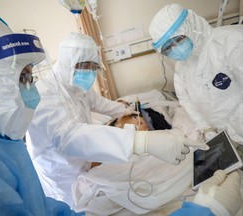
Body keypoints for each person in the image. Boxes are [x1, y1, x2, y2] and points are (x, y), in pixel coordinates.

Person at [26, 32, 209, 208]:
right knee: (76, 206)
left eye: (93, 66)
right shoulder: (46, 95)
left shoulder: (77, 86)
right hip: (61, 175)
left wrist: (126, 109)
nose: (90, 72)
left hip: (87, 165)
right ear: (68, 62)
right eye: (85, 65)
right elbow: (70, 138)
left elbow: (100, 104)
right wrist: (141, 141)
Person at [0, 3, 82, 216]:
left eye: (30, 76)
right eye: (21, 78)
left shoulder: (1, 140)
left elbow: (39, 207)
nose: (31, 90)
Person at [149, 4, 243, 146]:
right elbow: (188, 104)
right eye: (168, 47)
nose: (175, 48)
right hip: (228, 140)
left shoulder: (233, 43)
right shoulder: (181, 70)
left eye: (178, 39)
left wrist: (233, 131)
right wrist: (206, 129)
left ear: (191, 25)